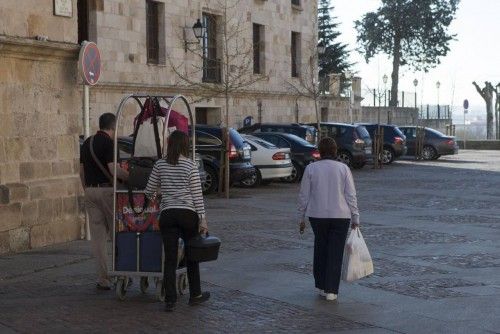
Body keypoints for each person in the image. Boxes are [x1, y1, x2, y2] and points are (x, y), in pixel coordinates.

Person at [145, 130, 210, 312]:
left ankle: (170, 299)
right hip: (188, 214)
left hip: (167, 214)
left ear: (170, 144)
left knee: (170, 259)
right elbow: (197, 196)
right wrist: (202, 219)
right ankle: (195, 294)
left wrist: (160, 195)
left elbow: (148, 190)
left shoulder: (160, 165)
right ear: (185, 145)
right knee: (192, 256)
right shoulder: (190, 166)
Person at [297, 137, 360, 301]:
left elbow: (304, 195)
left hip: (317, 215)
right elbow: (351, 195)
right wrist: (355, 217)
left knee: (320, 249)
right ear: (335, 151)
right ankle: (332, 289)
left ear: (320, 151)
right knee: (335, 252)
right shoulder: (343, 168)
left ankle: (321, 285)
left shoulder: (311, 169)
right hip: (341, 215)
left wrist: (301, 215)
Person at [80, 113, 128, 290]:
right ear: (113, 127)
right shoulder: (110, 143)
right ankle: (122, 271)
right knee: (117, 233)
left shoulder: (87, 143)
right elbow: (113, 169)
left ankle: (103, 278)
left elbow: (81, 171)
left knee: (98, 239)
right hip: (107, 191)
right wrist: (130, 177)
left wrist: (87, 189)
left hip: (90, 191)